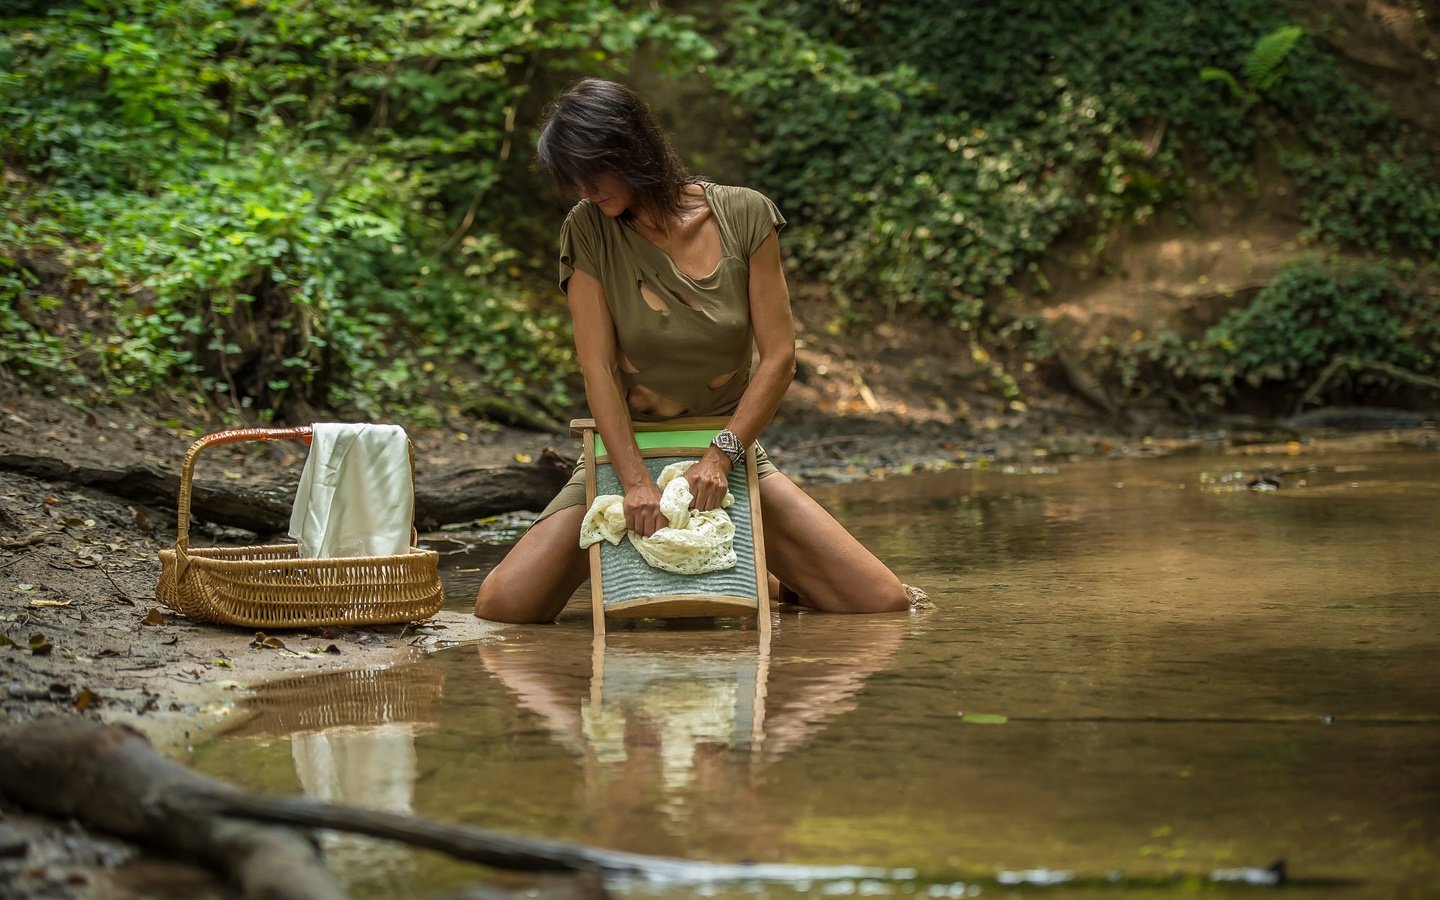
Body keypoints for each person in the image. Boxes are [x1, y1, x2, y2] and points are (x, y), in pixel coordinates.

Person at [474, 77, 912, 623]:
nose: (585, 189)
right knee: (503, 607)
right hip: (624, 453)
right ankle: (704, 565)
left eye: (592, 171)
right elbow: (599, 369)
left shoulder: (746, 216)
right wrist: (633, 484)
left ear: (629, 147)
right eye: (573, 179)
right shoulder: (587, 229)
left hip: (723, 450)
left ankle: (752, 571)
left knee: (883, 606)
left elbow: (779, 358)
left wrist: (720, 457)